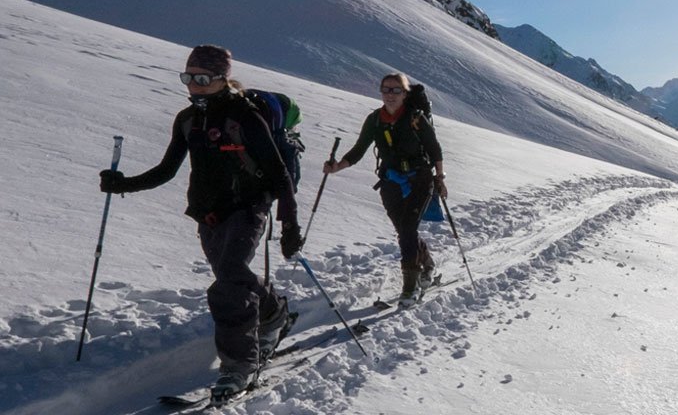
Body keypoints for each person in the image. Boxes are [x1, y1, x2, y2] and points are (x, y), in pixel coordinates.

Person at [99, 45, 301, 400]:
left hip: (248, 206)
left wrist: (289, 225)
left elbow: (279, 174)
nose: (194, 85)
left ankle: (239, 366)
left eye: (202, 78)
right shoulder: (187, 119)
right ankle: (274, 314)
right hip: (208, 212)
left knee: (229, 281)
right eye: (188, 77)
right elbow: (166, 170)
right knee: (232, 276)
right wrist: (122, 185)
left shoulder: (245, 117)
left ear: (222, 79)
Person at [323, 71, 446, 298]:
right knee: (404, 230)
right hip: (390, 180)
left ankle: (409, 288)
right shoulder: (375, 119)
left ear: (404, 93)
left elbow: (434, 148)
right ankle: (427, 264)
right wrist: (337, 166)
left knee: (407, 228)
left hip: (420, 179)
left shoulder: (415, 118)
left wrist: (439, 177)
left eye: (396, 90)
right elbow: (359, 149)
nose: (390, 95)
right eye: (386, 89)